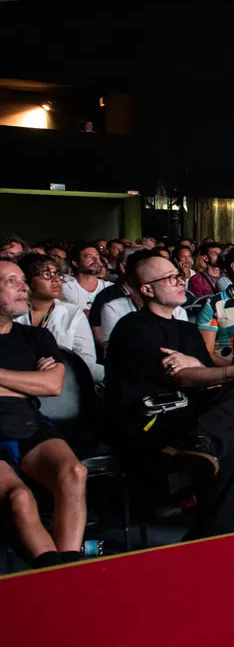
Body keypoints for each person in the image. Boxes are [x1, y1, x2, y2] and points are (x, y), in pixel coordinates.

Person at [104, 255, 234, 540]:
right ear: (147, 290)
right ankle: (216, 525)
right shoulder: (132, 326)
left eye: (178, 275)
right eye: (169, 278)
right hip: (150, 419)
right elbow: (178, 376)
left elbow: (201, 376)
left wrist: (200, 368)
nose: (179, 281)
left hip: (192, 413)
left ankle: (203, 447)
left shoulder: (186, 329)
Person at [0, 257, 89, 569]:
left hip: (26, 421)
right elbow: (38, 385)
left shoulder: (35, 337)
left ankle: (68, 565)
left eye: (24, 279)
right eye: (12, 281)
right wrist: (27, 384)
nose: (24, 287)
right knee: (19, 498)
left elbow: (52, 385)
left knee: (74, 473)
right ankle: (51, 570)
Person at [15, 254, 102, 384]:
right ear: (26, 280)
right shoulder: (12, 312)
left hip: (64, 384)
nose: (56, 280)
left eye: (57, 274)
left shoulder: (72, 314)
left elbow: (86, 365)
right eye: (46, 274)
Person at [60, 244, 112, 316]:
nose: (96, 260)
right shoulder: (66, 289)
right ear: (76, 263)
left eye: (97, 256)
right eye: (89, 257)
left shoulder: (110, 288)